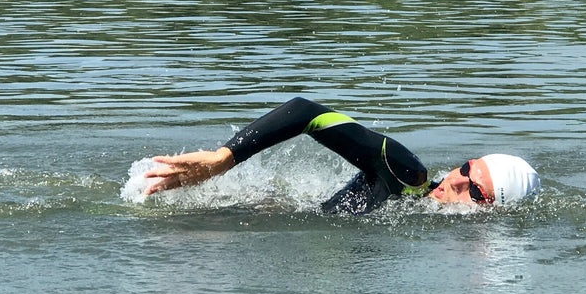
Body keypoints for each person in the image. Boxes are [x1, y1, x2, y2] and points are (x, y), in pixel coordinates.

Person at [143, 96, 539, 213]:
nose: (455, 180)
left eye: (474, 191)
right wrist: (221, 159)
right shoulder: (407, 175)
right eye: (467, 168)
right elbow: (306, 113)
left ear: (493, 214)